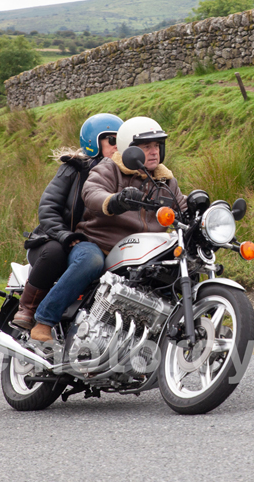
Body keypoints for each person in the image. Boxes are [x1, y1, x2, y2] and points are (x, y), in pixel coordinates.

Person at [29, 116, 187, 342]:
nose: (153, 152)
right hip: (98, 245)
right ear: (130, 150)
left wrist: (205, 211)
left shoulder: (166, 182)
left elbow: (181, 206)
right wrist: (115, 200)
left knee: (176, 269)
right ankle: (44, 321)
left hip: (143, 253)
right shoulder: (109, 168)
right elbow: (92, 193)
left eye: (157, 145)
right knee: (90, 261)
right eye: (145, 146)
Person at [11, 112, 123, 330]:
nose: (117, 145)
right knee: (55, 253)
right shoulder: (74, 169)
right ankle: (29, 308)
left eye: (122, 139)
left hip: (94, 243)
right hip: (55, 238)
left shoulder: (124, 173)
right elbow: (48, 208)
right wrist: (66, 236)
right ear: (93, 141)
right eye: (112, 139)